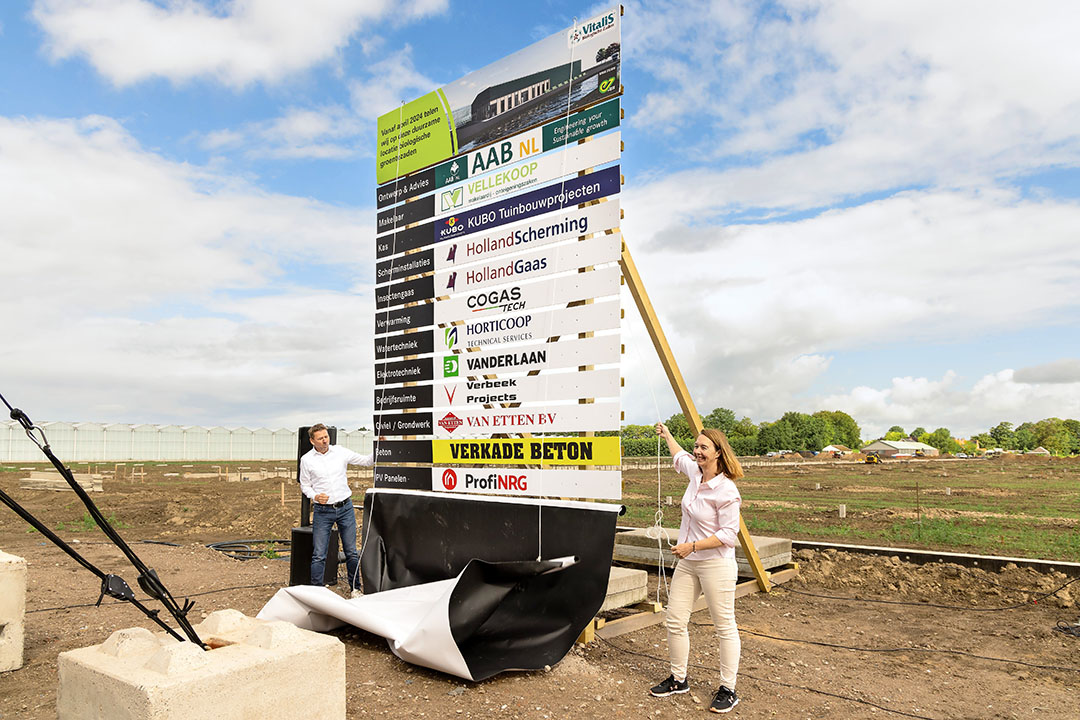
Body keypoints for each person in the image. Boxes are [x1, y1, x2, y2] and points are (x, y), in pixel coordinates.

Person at [649, 422, 743, 714]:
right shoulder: (695, 473)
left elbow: (729, 535)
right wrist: (667, 435)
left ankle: (728, 689)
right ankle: (679, 679)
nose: (697, 451)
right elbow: (678, 456)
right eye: (697, 446)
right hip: (688, 564)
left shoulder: (726, 490)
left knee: (724, 626)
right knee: (675, 620)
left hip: (715, 564)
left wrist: (692, 546)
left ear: (718, 453)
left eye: (703, 447)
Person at [299, 424, 373, 598]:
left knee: (351, 552)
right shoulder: (307, 460)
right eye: (320, 438)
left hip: (345, 508)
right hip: (322, 512)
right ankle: (317, 593)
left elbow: (366, 461)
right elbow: (305, 486)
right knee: (319, 554)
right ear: (312, 441)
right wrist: (315, 496)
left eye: (326, 437)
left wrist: (380, 446)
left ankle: (355, 589)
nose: (325, 440)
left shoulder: (340, 452)